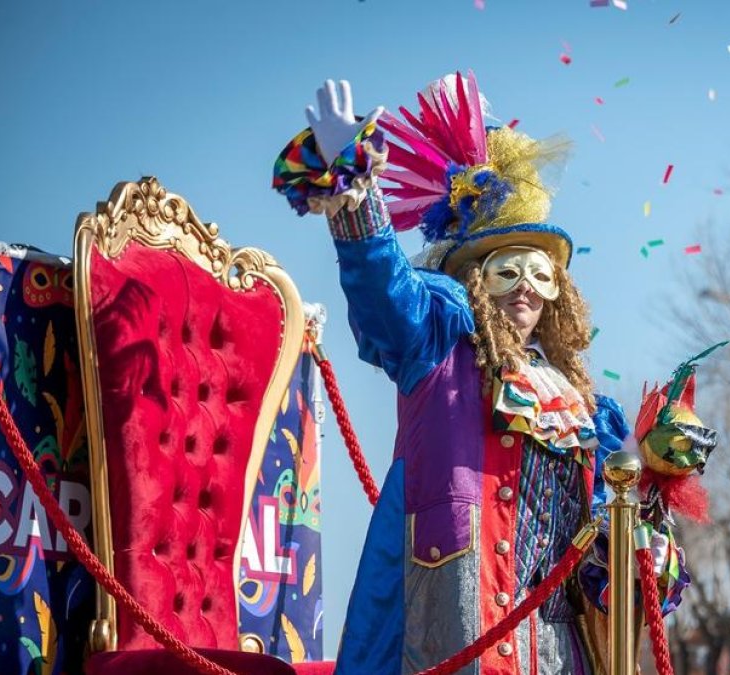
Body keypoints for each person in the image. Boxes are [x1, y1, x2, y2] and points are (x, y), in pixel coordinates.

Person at [272, 73, 685, 675]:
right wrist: (357, 195)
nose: (526, 287)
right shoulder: (440, 345)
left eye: (540, 274)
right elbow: (386, 294)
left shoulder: (583, 407)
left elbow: (601, 561)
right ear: (475, 280)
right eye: (506, 271)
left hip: (558, 652)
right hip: (453, 635)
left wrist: (645, 516)